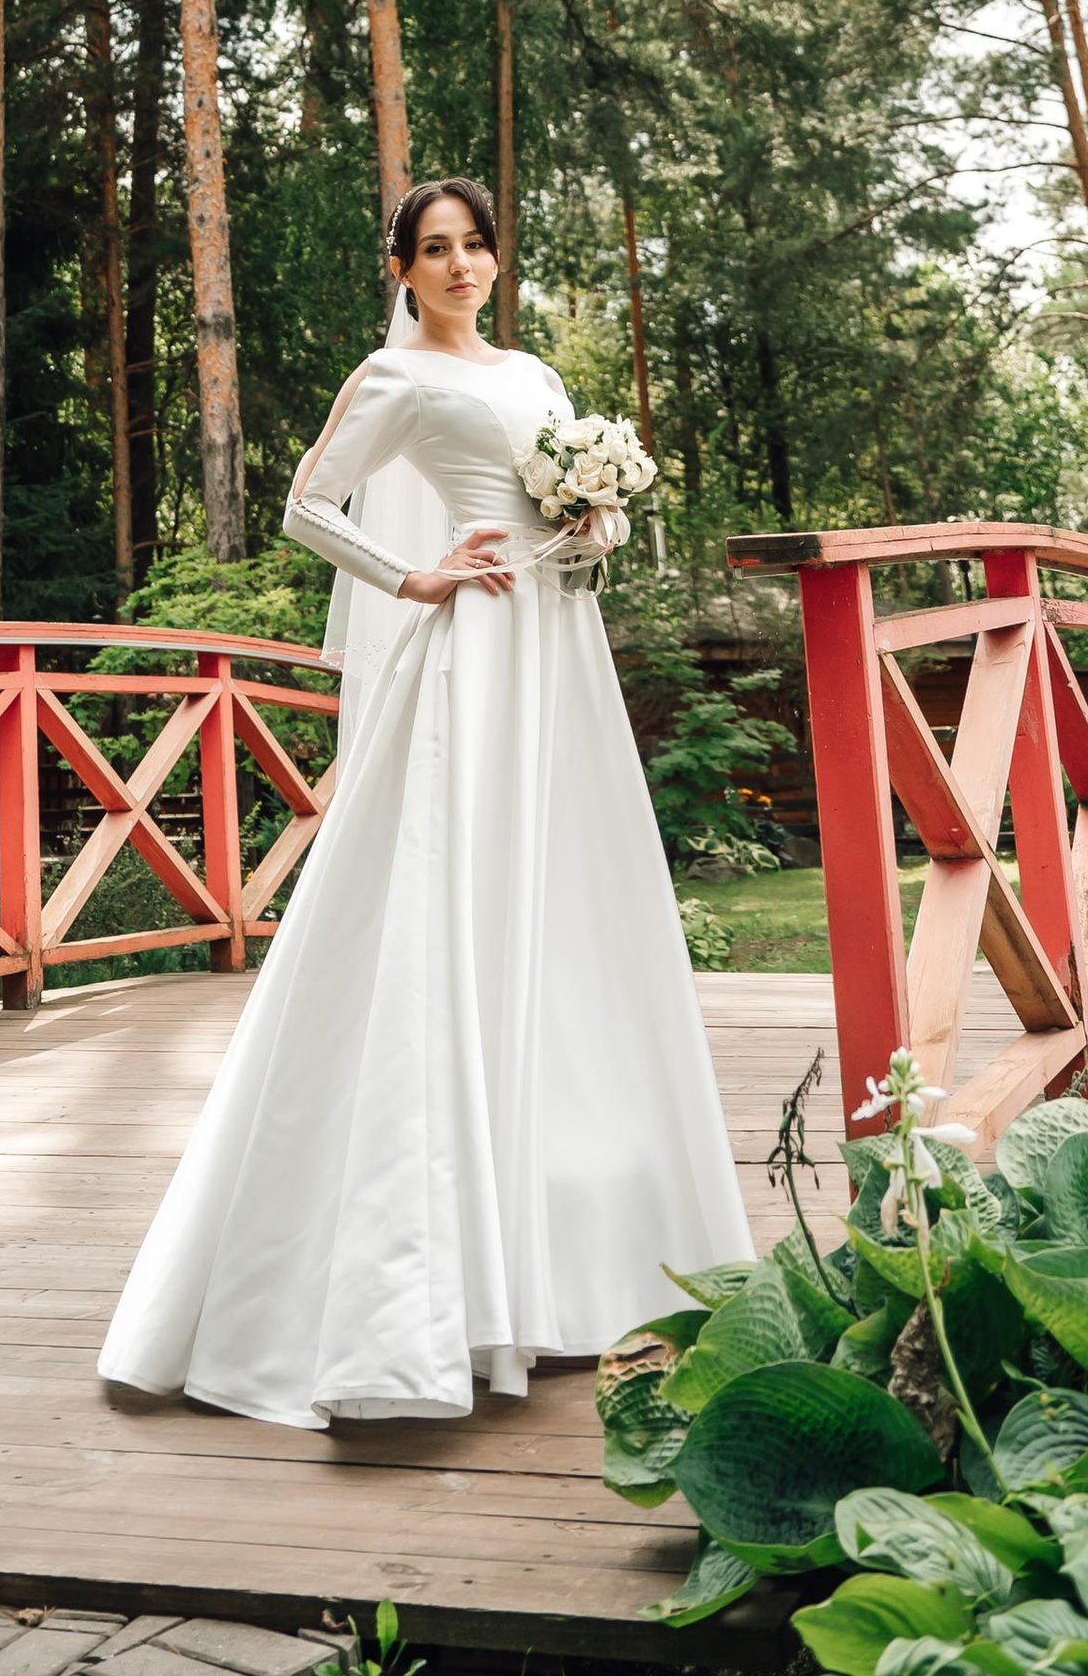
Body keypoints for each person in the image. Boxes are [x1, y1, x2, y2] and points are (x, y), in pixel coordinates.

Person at [96, 174, 748, 1430]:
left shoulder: (536, 374)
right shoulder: (394, 377)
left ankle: (577, 1268)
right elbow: (307, 505)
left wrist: (595, 520)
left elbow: (577, 525)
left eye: (474, 244)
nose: (458, 264)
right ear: (402, 267)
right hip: (474, 659)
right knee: (449, 910)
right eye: (434, 248)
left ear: (496, 258)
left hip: (558, 653)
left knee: (567, 915)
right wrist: (413, 576)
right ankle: (424, 1285)